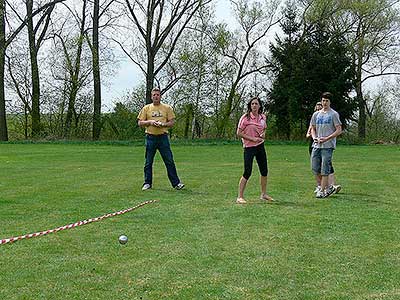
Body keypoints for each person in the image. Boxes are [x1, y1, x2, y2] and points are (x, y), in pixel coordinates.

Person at [137, 88, 185, 191]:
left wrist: (163, 124)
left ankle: (176, 183)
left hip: (163, 137)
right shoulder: (146, 108)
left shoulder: (167, 108)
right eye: (154, 95)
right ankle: (147, 183)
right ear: (151, 96)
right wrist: (149, 122)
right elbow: (140, 123)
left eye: (157, 95)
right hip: (150, 138)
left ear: (160, 96)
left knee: (169, 161)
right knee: (148, 162)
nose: (156, 96)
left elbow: (172, 122)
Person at [236, 97, 274, 204]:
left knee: (264, 171)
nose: (254, 106)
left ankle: (263, 194)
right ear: (250, 106)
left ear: (260, 106)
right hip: (249, 147)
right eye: (252, 104)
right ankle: (240, 196)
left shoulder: (263, 117)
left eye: (256, 104)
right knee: (247, 171)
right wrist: (252, 138)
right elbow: (238, 133)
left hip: (260, 146)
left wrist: (263, 135)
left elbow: (264, 129)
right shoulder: (245, 118)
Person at [310, 92, 342, 198]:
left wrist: (327, 138)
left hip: (328, 146)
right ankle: (326, 187)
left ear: (330, 102)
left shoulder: (333, 114)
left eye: (326, 101)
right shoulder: (316, 114)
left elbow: (339, 130)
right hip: (317, 145)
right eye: (323, 100)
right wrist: (315, 138)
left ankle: (323, 191)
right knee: (315, 167)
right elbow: (312, 128)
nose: (324, 103)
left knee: (325, 168)